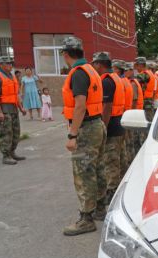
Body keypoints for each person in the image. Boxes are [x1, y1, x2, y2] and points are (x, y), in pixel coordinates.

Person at [60, 36, 107, 236]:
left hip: (86, 128)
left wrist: (72, 134)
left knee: (83, 172)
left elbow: (80, 106)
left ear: (65, 54)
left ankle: (86, 218)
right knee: (97, 168)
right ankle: (99, 208)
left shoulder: (78, 73)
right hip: (97, 124)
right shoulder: (91, 70)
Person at [92, 52, 126, 204]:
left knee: (111, 161)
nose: (94, 67)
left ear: (99, 64)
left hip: (111, 124)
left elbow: (107, 106)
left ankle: (112, 194)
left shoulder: (106, 81)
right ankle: (120, 189)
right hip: (119, 122)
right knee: (119, 159)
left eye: (95, 64)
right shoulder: (116, 78)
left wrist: (103, 128)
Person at [0, 56, 27, 165]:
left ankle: (12, 152)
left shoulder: (11, 76)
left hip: (13, 108)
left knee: (16, 132)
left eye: (11, 63)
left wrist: (21, 108)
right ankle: (6, 156)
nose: (10, 65)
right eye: (7, 63)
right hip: (4, 109)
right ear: (0, 65)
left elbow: (15, 94)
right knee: (6, 133)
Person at [111, 59, 131, 176]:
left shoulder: (118, 81)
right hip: (124, 116)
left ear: (117, 69)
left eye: (113, 68)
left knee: (116, 153)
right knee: (122, 150)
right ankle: (124, 173)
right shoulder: (125, 82)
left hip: (119, 117)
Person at [134, 57, 156, 121]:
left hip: (146, 100)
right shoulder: (149, 72)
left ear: (141, 65)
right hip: (149, 99)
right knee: (149, 118)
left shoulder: (145, 74)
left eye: (137, 65)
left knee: (147, 119)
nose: (136, 68)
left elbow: (135, 82)